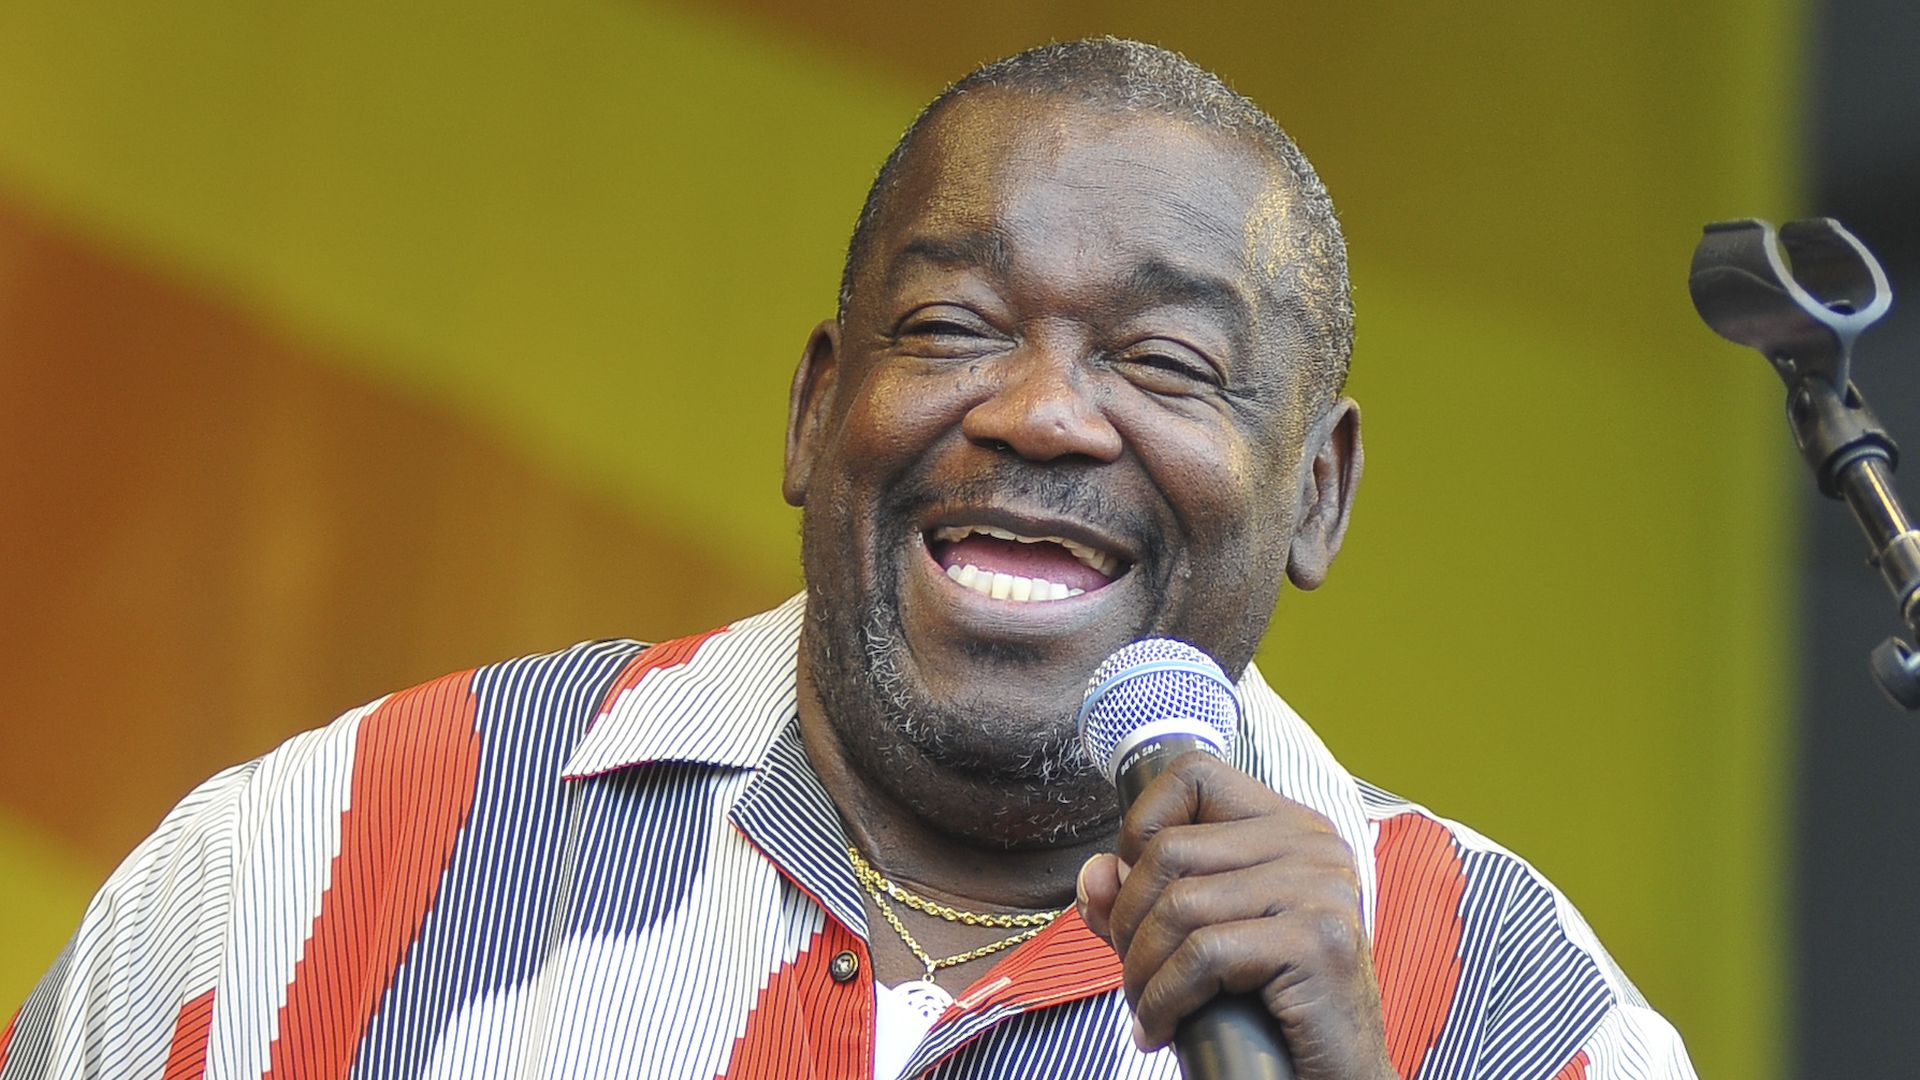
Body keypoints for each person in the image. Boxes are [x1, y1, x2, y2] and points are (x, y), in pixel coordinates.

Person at [0, 38, 1694, 1080]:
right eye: (953, 326)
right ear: (820, 410)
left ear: (1316, 493)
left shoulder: (1516, 1016)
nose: (1042, 412)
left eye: (1166, 362)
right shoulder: (301, 872)